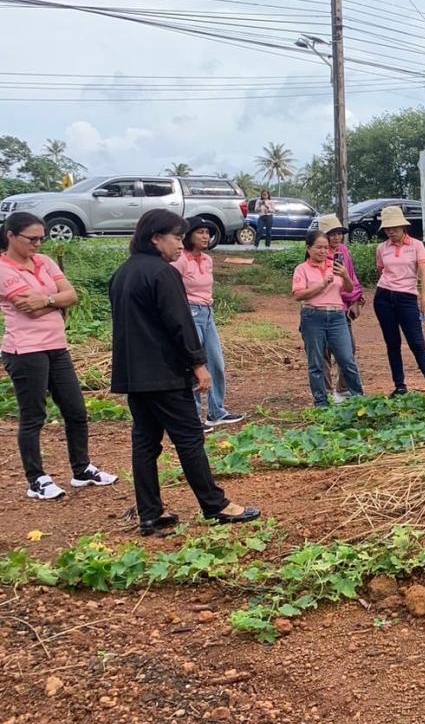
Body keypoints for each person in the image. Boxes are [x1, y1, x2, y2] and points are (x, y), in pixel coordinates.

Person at [108, 209, 259, 536]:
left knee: (145, 442)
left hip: (135, 373)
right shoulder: (163, 274)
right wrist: (198, 364)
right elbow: (180, 324)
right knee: (190, 438)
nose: (181, 243)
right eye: (176, 237)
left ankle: (150, 513)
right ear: (155, 239)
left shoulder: (123, 273)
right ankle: (215, 504)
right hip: (163, 372)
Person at [0, 212, 118, 500]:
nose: (38, 244)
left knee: (76, 411)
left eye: (42, 238)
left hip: (56, 346)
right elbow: (31, 308)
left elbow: (72, 295)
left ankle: (81, 469)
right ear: (11, 236)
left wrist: (49, 300)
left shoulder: (44, 262)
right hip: (26, 351)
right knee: (33, 416)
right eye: (32, 239)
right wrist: (56, 302)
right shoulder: (4, 270)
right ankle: (36, 478)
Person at [171, 219, 243, 432]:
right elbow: (172, 289)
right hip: (190, 313)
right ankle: (194, 417)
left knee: (216, 362)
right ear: (188, 235)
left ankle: (216, 411)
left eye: (208, 233)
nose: (205, 236)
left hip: (208, 312)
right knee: (194, 364)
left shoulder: (208, 260)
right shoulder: (181, 260)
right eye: (200, 232)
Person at [372, 205, 425, 396]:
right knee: (392, 343)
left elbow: (424, 274)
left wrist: (424, 300)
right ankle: (400, 386)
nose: (391, 231)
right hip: (384, 297)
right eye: (387, 228)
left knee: (417, 343)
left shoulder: (416, 246)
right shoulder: (382, 248)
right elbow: (381, 271)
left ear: (403, 227)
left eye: (394, 227)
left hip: (407, 298)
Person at [292, 230, 364, 408]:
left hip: (337, 316)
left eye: (325, 247)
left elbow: (348, 290)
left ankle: (358, 398)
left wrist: (345, 276)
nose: (323, 251)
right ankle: (321, 401)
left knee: (346, 359)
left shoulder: (335, 265)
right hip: (313, 316)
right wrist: (323, 284)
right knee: (316, 362)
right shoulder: (302, 269)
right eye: (318, 247)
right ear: (308, 248)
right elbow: (299, 295)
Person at [317, 214, 365, 402]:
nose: (336, 238)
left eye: (339, 234)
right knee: (323, 353)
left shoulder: (343, 251)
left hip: (343, 307)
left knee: (348, 350)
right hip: (325, 307)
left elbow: (351, 276)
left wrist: (356, 299)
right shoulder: (319, 254)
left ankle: (343, 389)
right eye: (332, 234)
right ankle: (327, 392)